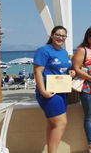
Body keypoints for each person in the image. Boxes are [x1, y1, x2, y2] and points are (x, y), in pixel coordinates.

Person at [33, 25, 76, 153]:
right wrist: (43, 91)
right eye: (58, 35)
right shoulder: (44, 50)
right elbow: (37, 72)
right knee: (61, 123)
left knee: (53, 124)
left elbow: (63, 70)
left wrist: (71, 72)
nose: (60, 38)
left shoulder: (63, 52)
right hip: (49, 92)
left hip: (62, 91)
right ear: (52, 35)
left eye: (63, 36)